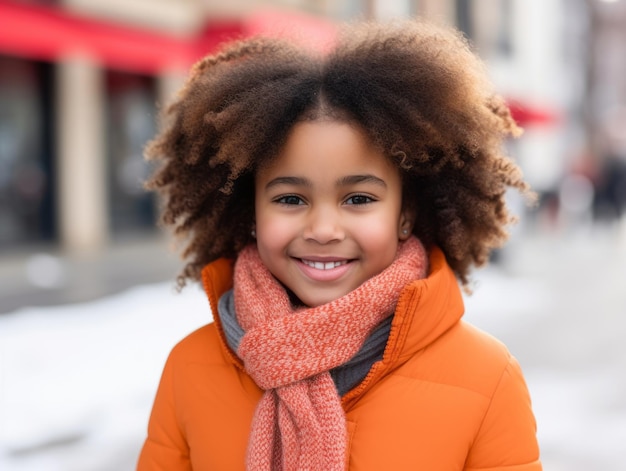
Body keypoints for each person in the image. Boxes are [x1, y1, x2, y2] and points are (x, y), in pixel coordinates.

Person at [137, 19, 542, 471]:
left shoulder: (486, 378)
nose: (324, 228)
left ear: (405, 214)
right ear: (251, 213)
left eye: (358, 199)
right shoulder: (189, 368)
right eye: (290, 199)